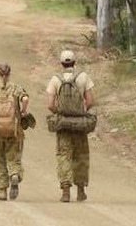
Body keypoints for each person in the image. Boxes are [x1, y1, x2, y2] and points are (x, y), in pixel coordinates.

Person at [45, 50, 94, 202]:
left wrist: (61, 112)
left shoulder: (55, 79)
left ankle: (65, 191)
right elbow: (91, 101)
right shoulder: (83, 77)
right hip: (80, 125)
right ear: (74, 62)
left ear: (61, 63)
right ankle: (80, 191)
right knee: (81, 156)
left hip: (63, 125)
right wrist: (80, 112)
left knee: (63, 156)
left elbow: (50, 105)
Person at [0, 63, 30, 201]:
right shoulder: (16, 89)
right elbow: (25, 99)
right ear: (10, 74)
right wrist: (23, 111)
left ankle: (2, 192)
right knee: (14, 157)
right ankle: (15, 174)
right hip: (14, 130)